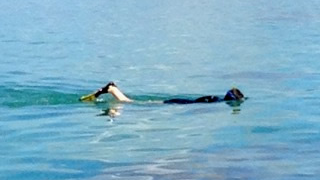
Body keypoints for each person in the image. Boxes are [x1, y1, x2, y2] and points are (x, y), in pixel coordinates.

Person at [81, 81, 244, 104]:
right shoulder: (217, 101)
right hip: (178, 103)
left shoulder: (216, 99)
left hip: (181, 102)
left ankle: (113, 90)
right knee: (135, 105)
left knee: (134, 104)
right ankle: (112, 89)